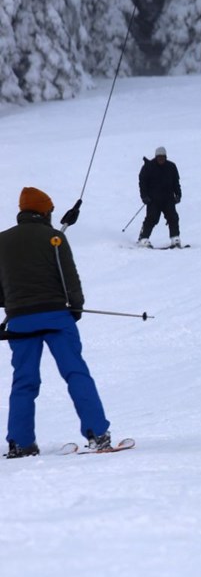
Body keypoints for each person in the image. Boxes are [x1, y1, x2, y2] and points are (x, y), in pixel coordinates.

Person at [0, 187, 113, 458]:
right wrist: (75, 309)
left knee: (24, 381)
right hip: (56, 317)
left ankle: (20, 443)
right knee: (75, 373)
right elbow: (69, 279)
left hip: (19, 321)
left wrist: (14, 306)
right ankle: (97, 434)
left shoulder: (1, 241)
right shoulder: (55, 238)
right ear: (44, 211)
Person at [136, 146, 182, 248]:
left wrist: (178, 194)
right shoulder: (149, 167)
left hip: (168, 198)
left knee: (173, 217)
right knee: (151, 218)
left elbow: (176, 182)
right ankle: (143, 238)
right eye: (159, 157)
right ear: (156, 157)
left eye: (163, 157)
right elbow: (142, 182)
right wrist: (144, 196)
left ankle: (175, 238)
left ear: (166, 157)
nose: (161, 159)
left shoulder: (171, 167)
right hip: (153, 199)